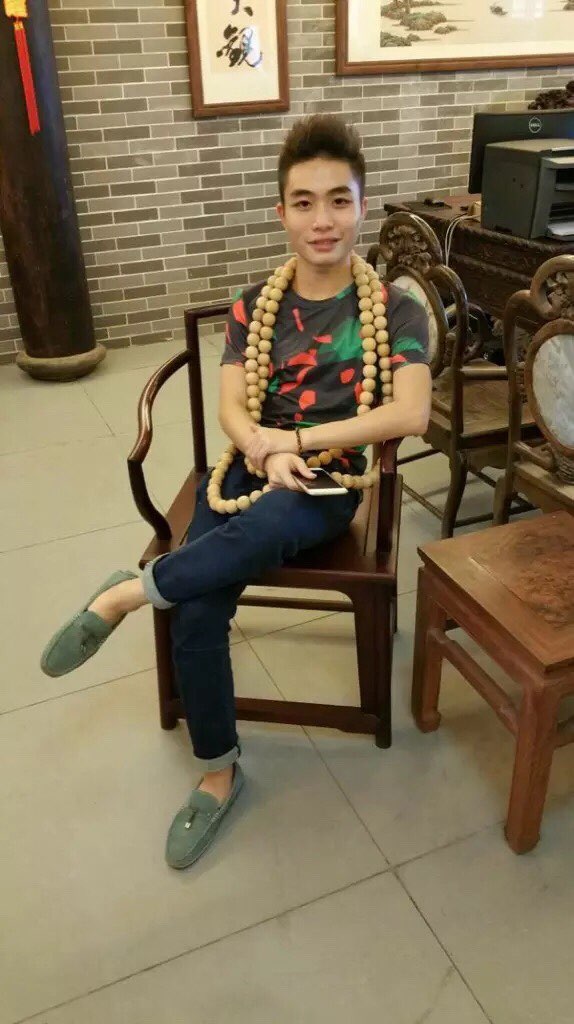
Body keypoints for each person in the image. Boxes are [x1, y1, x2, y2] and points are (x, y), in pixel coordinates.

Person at [41, 115, 431, 870]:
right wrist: (260, 446)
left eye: (340, 200)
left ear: (362, 205)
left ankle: (128, 592)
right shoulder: (255, 304)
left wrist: (296, 445)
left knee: (270, 525)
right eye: (304, 202)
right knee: (196, 607)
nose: (323, 220)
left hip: (329, 476)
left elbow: (410, 413)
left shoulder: (395, 308)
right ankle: (219, 772)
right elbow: (230, 406)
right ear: (281, 211)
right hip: (253, 463)